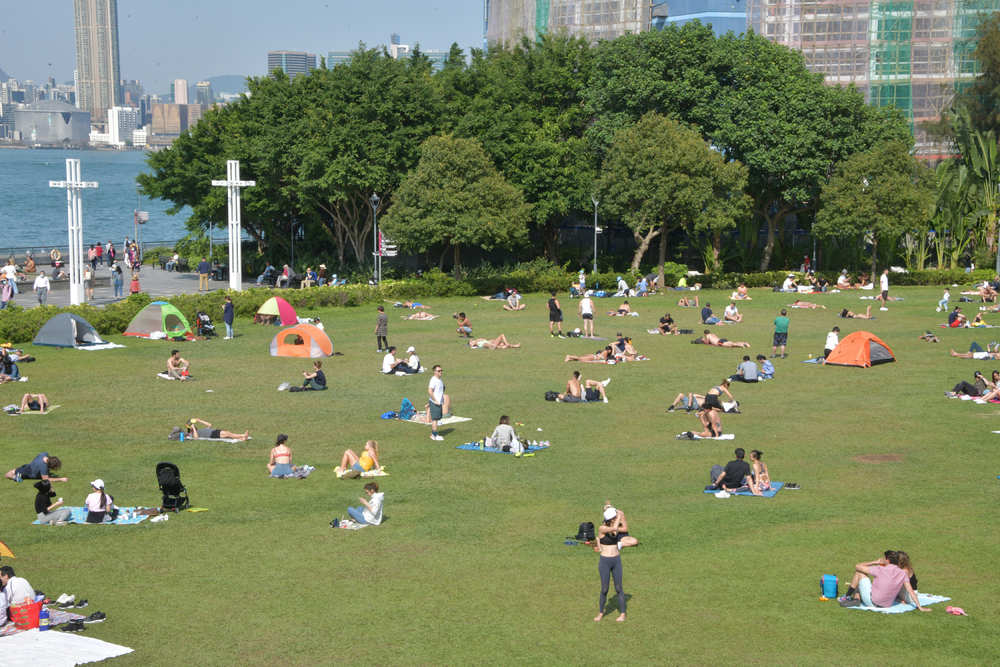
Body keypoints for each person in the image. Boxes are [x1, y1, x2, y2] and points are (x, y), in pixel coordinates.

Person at [840, 551, 929, 611]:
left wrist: (874, 562)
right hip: (887, 605)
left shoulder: (879, 569)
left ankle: (847, 596)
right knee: (859, 588)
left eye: (884, 558)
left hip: (873, 602)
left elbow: (858, 566)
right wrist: (920, 607)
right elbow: (910, 590)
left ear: (888, 560)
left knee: (860, 573)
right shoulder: (902, 573)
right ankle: (856, 599)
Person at [593, 507, 627, 622]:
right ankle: (601, 613)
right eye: (615, 518)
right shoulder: (602, 528)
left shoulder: (614, 529)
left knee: (618, 588)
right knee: (604, 589)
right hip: (605, 562)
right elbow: (614, 527)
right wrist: (618, 516)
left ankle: (622, 614)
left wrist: (617, 514)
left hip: (616, 561)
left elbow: (616, 528)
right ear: (611, 519)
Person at [429, 365, 446, 441]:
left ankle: (434, 433)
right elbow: (430, 391)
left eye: (441, 370)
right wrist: (435, 400)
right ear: (434, 372)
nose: (440, 372)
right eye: (439, 371)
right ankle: (434, 434)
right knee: (434, 419)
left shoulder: (440, 379)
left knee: (437, 418)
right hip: (435, 402)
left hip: (438, 402)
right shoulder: (433, 380)